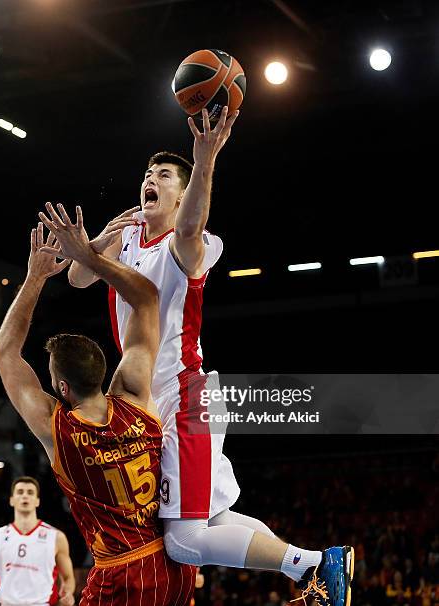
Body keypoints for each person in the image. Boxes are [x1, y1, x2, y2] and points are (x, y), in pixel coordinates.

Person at [64, 107, 354, 606]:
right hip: (152, 406)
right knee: (210, 521)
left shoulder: (193, 246)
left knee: (183, 542)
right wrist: (93, 246)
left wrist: (204, 161)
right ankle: (311, 565)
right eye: (146, 175)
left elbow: (192, 224)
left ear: (180, 195)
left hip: (187, 401)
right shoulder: (128, 235)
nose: (148, 181)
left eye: (162, 177)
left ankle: (313, 563)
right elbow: (76, 278)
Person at [0, 214, 196, 605]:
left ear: (60, 387)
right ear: (103, 368)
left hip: (124, 573)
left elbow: (4, 352)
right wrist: (89, 255)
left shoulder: (60, 432)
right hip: (175, 563)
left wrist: (36, 275)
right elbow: (147, 299)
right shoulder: (135, 395)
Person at [0, 476, 75, 606]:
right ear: (11, 500)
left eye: (30, 492)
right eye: (20, 492)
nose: (25, 496)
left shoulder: (56, 537)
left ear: (37, 501)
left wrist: (68, 592)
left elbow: (68, 577)